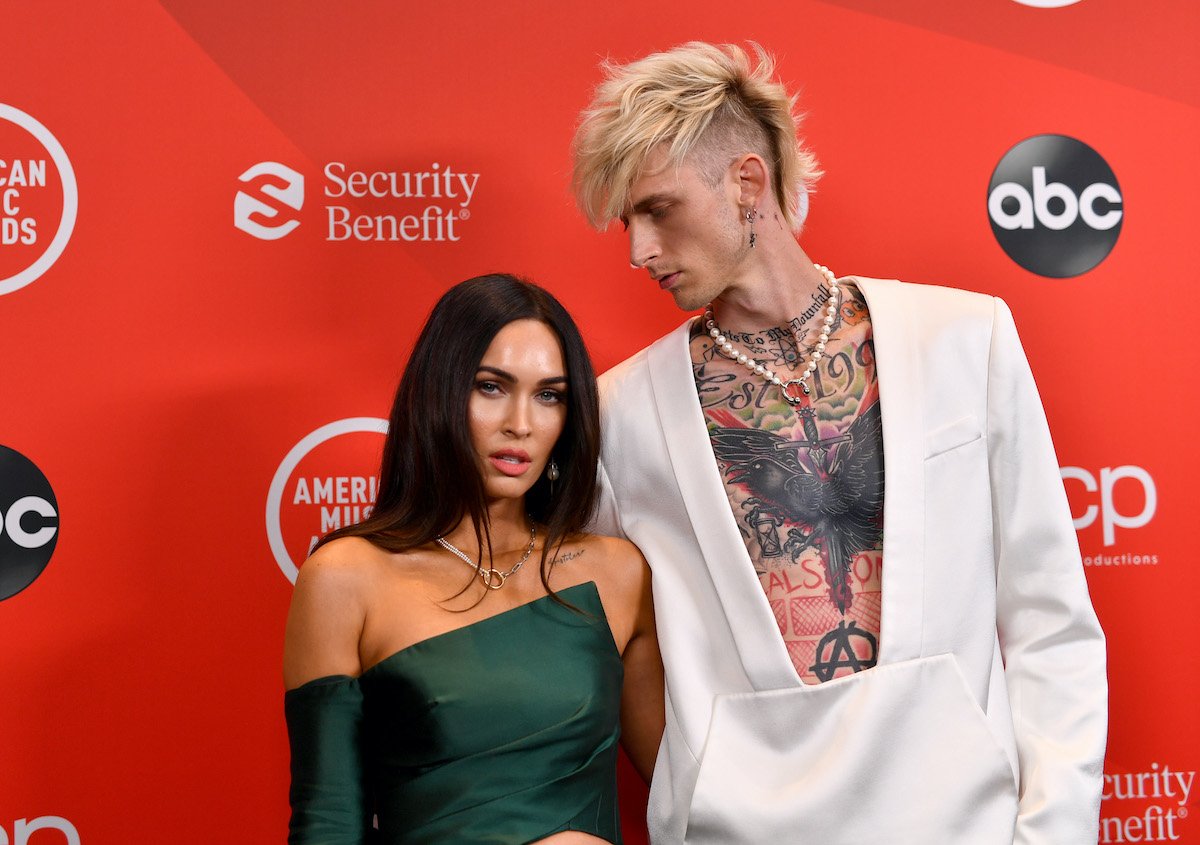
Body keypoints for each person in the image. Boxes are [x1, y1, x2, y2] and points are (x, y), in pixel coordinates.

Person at [571, 42, 1107, 844]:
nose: (638, 250)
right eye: (628, 221)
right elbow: (613, 656)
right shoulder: (618, 414)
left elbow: (1049, 619)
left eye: (658, 209)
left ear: (746, 183)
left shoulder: (964, 339)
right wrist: (694, 790)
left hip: (968, 821)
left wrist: (1051, 831)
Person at [282, 274, 664, 844]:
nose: (521, 423)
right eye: (491, 387)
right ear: (438, 391)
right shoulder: (346, 577)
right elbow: (328, 826)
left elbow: (690, 788)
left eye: (549, 395)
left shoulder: (617, 573)